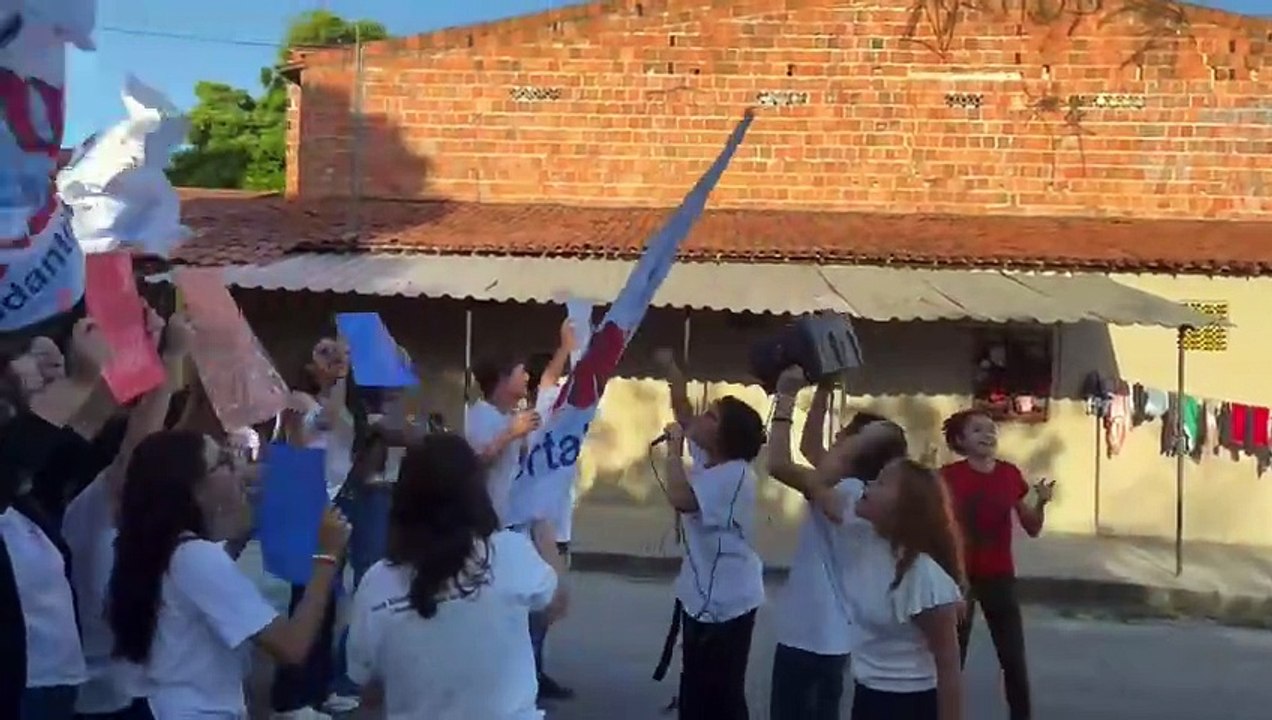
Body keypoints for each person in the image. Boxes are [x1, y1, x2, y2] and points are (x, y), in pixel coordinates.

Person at [107, 430, 351, 720]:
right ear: (195, 489)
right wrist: (326, 556)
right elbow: (291, 645)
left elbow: (213, 582)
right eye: (223, 461)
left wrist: (249, 518)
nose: (240, 466)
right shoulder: (195, 557)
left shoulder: (163, 545)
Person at [346, 433, 569, 719]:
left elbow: (368, 682)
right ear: (476, 492)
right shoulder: (509, 552)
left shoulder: (377, 583)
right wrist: (547, 540)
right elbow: (556, 603)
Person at [63, 313, 195, 720]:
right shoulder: (89, 512)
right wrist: (171, 358)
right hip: (103, 698)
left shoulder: (128, 519)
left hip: (133, 690)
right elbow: (135, 454)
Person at [766, 367, 907, 720]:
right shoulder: (856, 490)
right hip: (831, 638)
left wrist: (785, 397)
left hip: (812, 639)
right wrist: (824, 388)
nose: (835, 440)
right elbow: (810, 446)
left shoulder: (846, 496)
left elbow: (780, 463)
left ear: (855, 453)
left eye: (843, 437)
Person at [653, 350, 766, 720]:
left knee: (722, 695)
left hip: (728, 603)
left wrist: (673, 453)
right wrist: (673, 372)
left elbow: (681, 498)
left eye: (711, 416)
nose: (699, 419)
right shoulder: (712, 459)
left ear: (724, 436)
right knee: (696, 688)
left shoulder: (734, 476)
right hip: (701, 597)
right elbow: (684, 412)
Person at [939, 410, 1055, 720]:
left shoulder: (1009, 475)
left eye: (991, 429)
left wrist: (1041, 501)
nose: (988, 435)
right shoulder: (947, 477)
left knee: (1013, 659)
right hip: (957, 578)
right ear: (960, 440)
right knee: (952, 658)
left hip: (999, 576)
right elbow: (935, 525)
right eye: (977, 430)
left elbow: (1032, 527)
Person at [270, 339, 356, 720]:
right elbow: (322, 426)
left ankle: (319, 690)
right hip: (308, 506)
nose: (335, 359)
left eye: (339, 353)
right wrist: (340, 377)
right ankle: (291, 698)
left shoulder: (338, 403)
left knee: (328, 602)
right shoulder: (298, 402)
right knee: (306, 599)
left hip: (333, 503)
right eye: (323, 353)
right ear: (307, 365)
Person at [521, 347, 576, 702]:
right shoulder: (539, 416)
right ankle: (527, 678)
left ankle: (534, 673)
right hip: (540, 528)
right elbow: (547, 384)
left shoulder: (562, 422)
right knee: (540, 606)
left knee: (547, 607)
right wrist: (567, 347)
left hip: (558, 525)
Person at [465, 354, 539, 527]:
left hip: (512, 518)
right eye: (521, 373)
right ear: (503, 379)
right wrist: (510, 434)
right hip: (487, 522)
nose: (526, 378)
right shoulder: (480, 416)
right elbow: (474, 465)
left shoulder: (511, 417)